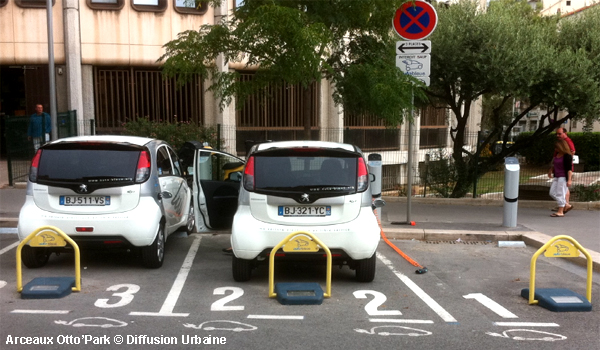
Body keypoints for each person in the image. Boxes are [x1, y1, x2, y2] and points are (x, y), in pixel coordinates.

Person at [548, 139, 573, 217]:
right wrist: (550, 171)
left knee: (560, 193)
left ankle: (560, 211)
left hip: (563, 177)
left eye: (557, 148)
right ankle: (566, 204)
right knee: (552, 193)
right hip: (557, 176)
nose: (556, 149)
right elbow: (554, 164)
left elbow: (569, 169)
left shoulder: (567, 156)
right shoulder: (557, 155)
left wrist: (569, 180)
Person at [554, 127, 576, 209]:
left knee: (564, 188)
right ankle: (564, 204)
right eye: (557, 134)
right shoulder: (561, 142)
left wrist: (564, 159)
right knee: (562, 188)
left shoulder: (568, 141)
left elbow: (572, 151)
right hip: (559, 166)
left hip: (564, 167)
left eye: (559, 134)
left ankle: (565, 204)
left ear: (565, 133)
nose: (558, 135)